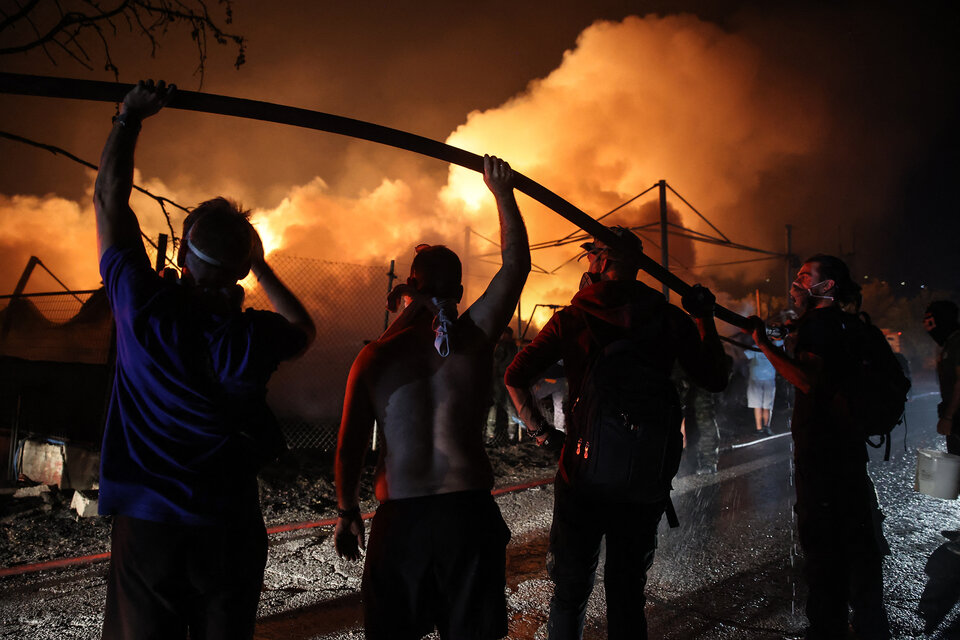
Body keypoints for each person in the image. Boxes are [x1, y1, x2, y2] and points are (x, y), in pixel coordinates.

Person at [94, 80, 316, 640]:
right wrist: (262, 268)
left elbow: (109, 199)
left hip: (150, 525)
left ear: (183, 251)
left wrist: (129, 118)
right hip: (228, 525)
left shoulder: (142, 308)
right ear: (241, 271)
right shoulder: (253, 338)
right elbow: (302, 328)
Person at [334, 155, 530, 639]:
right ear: (461, 291)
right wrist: (502, 193)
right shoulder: (474, 338)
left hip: (402, 522)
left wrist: (347, 511)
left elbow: (350, 446)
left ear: (408, 287)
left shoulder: (375, 358)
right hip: (467, 516)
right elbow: (516, 267)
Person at [504, 226, 728, 640]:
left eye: (591, 256)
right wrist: (702, 317)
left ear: (603, 262)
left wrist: (543, 434)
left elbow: (515, 376)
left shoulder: (573, 318)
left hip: (582, 476)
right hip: (644, 479)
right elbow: (715, 376)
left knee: (570, 593)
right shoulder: (668, 318)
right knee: (626, 594)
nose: (588, 262)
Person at [748, 254, 890, 640]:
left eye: (804, 277)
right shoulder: (848, 325)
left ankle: (828, 629)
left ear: (826, 287)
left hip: (821, 456)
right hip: (849, 451)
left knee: (824, 550)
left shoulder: (819, 326)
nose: (795, 284)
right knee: (859, 542)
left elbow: (807, 381)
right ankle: (870, 624)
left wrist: (764, 343)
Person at [923, 300, 960, 455]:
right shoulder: (950, 342)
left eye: (931, 322)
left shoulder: (957, 342)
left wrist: (948, 417)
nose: (929, 328)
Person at [487, 326, 520, 445]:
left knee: (494, 405)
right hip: (510, 380)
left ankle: (490, 435)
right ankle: (512, 435)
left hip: (500, 379)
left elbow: (496, 360)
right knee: (511, 406)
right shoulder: (515, 346)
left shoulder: (502, 345)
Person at [744, 333, 781, 436]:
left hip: (762, 379)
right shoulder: (766, 347)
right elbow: (745, 355)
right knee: (762, 405)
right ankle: (762, 428)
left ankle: (763, 428)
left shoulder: (767, 347)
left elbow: (744, 355)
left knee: (763, 405)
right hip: (761, 379)